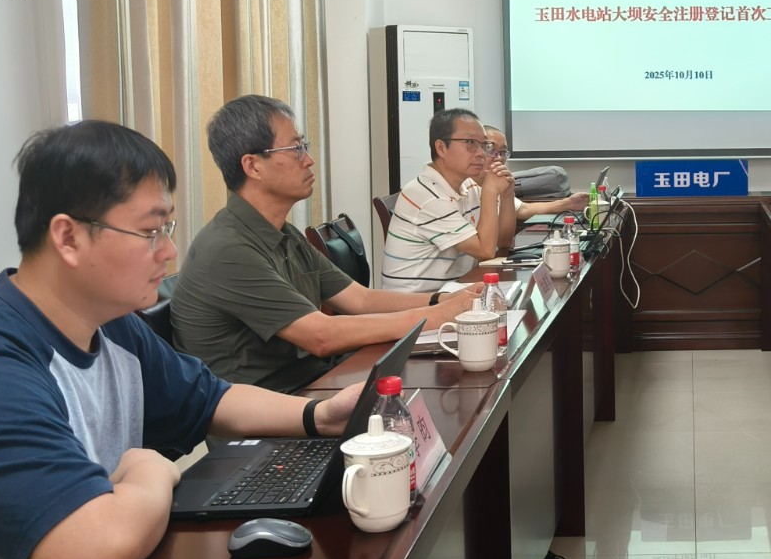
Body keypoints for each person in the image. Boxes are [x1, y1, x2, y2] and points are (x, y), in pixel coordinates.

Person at [0, 121, 371, 559]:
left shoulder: (109, 324)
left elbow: (210, 397)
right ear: (68, 237)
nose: (170, 252)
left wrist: (317, 417)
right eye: (151, 232)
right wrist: (152, 468)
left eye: (167, 229)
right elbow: (96, 549)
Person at [173, 95, 479, 389]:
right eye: (295, 149)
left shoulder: (283, 233)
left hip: (317, 382)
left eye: (304, 147)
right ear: (253, 166)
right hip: (276, 406)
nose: (308, 160)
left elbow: (360, 300)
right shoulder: (228, 249)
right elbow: (321, 336)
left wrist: (443, 300)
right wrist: (435, 316)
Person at [381, 109, 517, 289]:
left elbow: (503, 242)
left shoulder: (467, 184)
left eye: (484, 145)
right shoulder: (428, 196)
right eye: (470, 143)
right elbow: (486, 251)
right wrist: (490, 192)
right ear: (441, 148)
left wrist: (507, 195)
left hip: (452, 289)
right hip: (419, 300)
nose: (481, 153)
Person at [482, 126, 584, 224]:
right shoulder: (473, 188)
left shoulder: (499, 185)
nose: (499, 158)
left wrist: (569, 203)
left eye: (503, 152)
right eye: (490, 149)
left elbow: (523, 209)